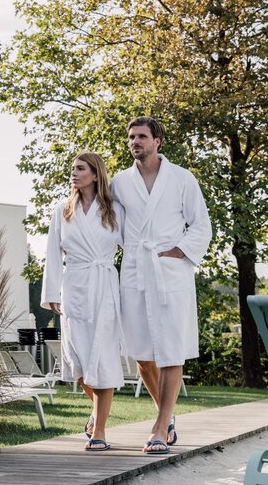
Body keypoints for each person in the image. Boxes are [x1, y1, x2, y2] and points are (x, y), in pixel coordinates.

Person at [111, 116, 211, 455]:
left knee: (171, 349)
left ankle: (159, 425)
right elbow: (111, 224)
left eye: (141, 136)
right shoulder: (120, 183)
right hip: (136, 270)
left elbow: (201, 224)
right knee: (141, 353)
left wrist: (179, 251)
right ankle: (165, 417)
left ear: (158, 141)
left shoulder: (182, 178)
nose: (135, 142)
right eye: (131, 137)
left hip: (170, 270)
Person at [41, 151, 125, 452]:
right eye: (73, 169)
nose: (74, 173)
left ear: (95, 173)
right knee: (78, 364)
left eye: (81, 169)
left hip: (104, 284)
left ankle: (100, 430)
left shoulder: (114, 208)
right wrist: (51, 293)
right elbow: (52, 252)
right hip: (73, 285)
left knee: (101, 357)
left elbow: (132, 245)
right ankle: (96, 413)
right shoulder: (62, 209)